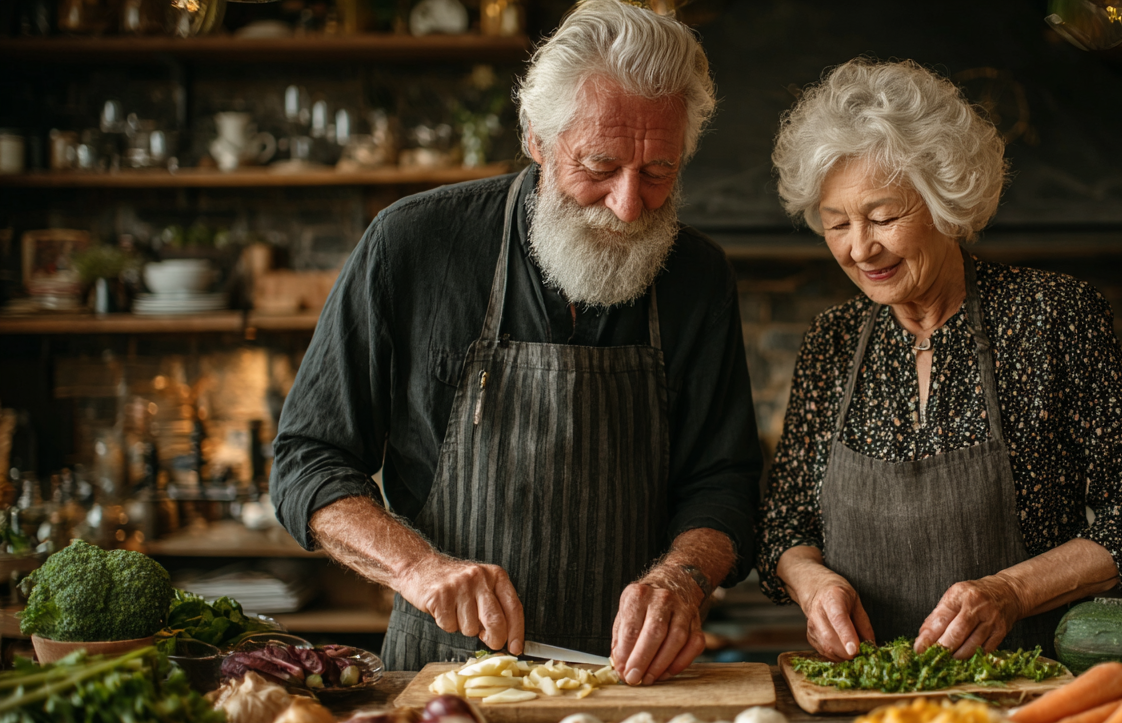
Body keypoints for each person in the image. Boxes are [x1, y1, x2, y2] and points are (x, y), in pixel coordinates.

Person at [270, 0, 761, 683]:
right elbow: (307, 461)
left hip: (627, 681)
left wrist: (682, 578)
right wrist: (418, 568)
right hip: (444, 679)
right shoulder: (412, 245)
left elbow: (724, 482)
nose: (628, 205)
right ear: (536, 136)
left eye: (658, 172)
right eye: (599, 166)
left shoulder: (698, 276)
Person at [757, 59, 1122, 662]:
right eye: (837, 225)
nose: (861, 248)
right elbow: (785, 524)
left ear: (945, 202)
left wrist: (1011, 590)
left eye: (883, 217)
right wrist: (812, 582)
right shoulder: (831, 342)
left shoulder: (1052, 317)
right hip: (866, 692)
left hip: (1022, 691)